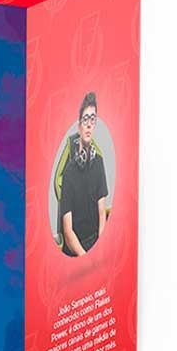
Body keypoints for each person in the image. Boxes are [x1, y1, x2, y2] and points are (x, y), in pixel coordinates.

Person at [57, 91, 109, 257]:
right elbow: (68, 232)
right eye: (85, 119)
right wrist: (86, 258)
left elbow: (102, 213)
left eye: (92, 119)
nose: (88, 125)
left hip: (95, 242)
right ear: (79, 125)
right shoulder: (68, 174)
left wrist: (100, 249)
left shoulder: (99, 162)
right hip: (76, 248)